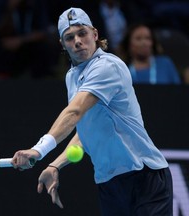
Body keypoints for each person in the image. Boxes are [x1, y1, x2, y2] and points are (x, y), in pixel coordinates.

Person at [11, 7, 173, 215]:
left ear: (95, 34)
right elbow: (86, 130)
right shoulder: (72, 77)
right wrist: (55, 165)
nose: (77, 41)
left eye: (82, 33)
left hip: (144, 177)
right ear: (62, 44)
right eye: (69, 37)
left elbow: (75, 112)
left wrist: (38, 150)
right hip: (109, 183)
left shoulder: (106, 66)